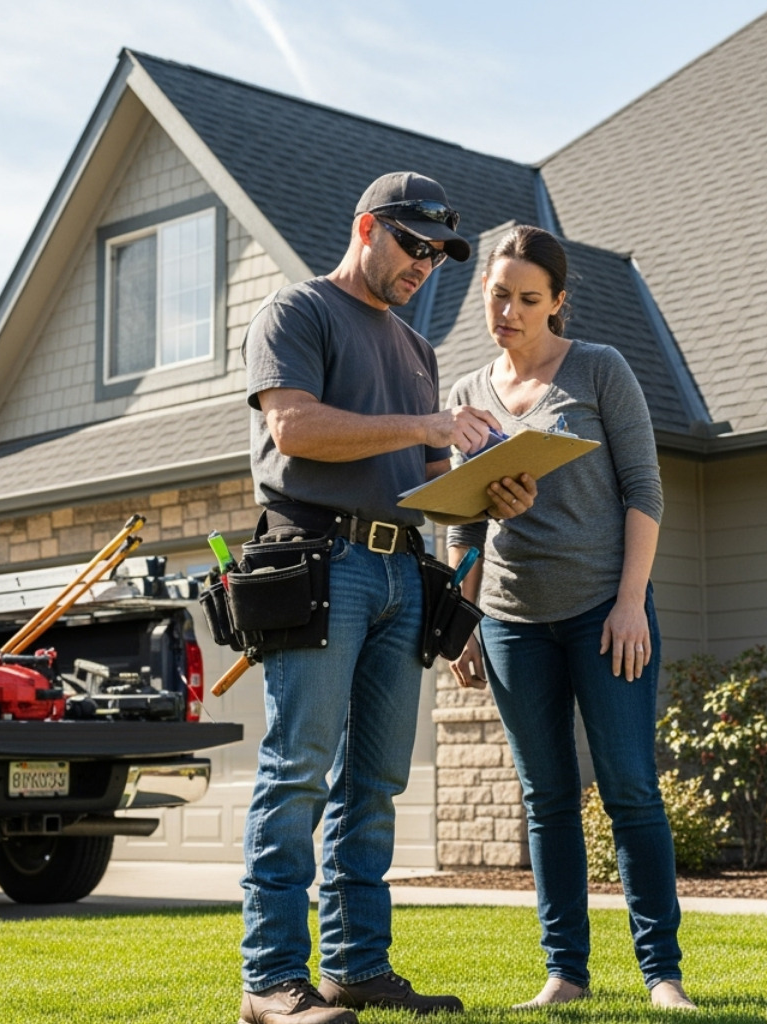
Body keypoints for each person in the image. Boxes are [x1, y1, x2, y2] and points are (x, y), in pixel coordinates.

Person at [240, 172, 537, 1024]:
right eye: (413, 245)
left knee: (372, 784)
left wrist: (489, 488)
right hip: (320, 563)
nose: (426, 266)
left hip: (401, 572)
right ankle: (270, 984)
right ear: (367, 227)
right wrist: (431, 427)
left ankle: (356, 969)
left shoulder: (415, 349)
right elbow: (293, 428)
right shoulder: (297, 313)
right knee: (298, 771)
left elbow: (424, 475)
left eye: (440, 255)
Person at [445, 225, 697, 1012]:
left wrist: (630, 603)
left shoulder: (598, 368)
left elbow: (643, 492)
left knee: (629, 790)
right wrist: (463, 617)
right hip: (513, 622)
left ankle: (663, 976)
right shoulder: (466, 396)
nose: (510, 312)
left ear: (557, 301)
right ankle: (566, 974)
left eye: (527, 299)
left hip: (603, 611)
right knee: (545, 797)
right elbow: (462, 525)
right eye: (498, 296)